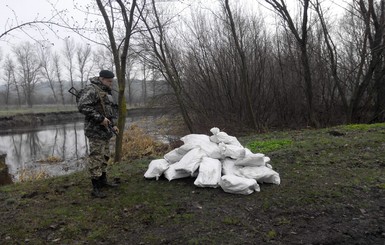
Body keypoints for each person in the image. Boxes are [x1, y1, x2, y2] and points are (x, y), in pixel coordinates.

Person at [78, 70, 119, 198]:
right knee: (96, 157)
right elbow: (83, 106)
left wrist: (113, 124)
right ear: (101, 79)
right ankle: (95, 187)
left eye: (112, 81)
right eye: (108, 81)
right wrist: (100, 119)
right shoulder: (91, 89)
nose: (110, 83)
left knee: (105, 156)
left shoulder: (106, 91)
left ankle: (103, 181)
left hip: (106, 130)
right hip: (95, 130)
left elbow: (108, 110)